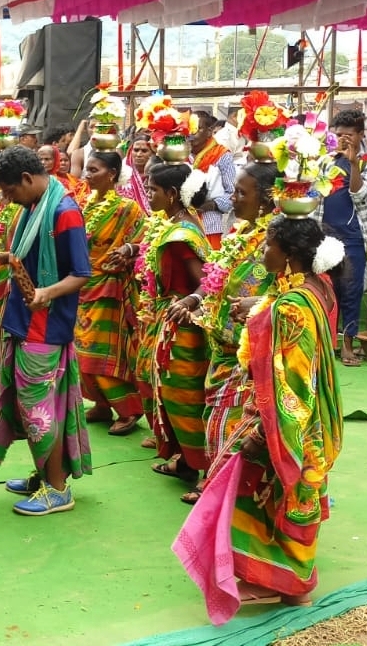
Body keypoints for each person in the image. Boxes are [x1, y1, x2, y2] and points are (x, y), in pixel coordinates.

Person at [224, 214, 343, 607]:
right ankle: (279, 580)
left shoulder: (292, 308)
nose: (262, 252)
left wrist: (263, 433)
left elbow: (291, 381)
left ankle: (293, 588)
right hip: (309, 418)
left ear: (289, 254)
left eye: (269, 245)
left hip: (291, 419)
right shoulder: (317, 287)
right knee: (288, 492)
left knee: (286, 490)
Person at [0, 146, 93, 517]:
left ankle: (58, 489)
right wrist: (5, 258)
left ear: (27, 179)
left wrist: (47, 292)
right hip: (23, 320)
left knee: (38, 412)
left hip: (45, 327)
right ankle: (46, 476)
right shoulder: (34, 207)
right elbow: (27, 258)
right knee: (29, 407)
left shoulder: (64, 212)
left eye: (9, 190)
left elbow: (81, 273)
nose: (7, 198)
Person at [165, 162, 278, 504]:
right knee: (214, 418)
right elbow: (216, 279)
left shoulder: (276, 240)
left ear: (266, 198)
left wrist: (259, 305)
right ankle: (214, 481)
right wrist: (196, 300)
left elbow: (287, 291)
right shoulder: (239, 232)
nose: (233, 198)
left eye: (241, 192)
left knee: (232, 422)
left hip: (249, 351)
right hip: (221, 344)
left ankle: (222, 490)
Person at [127, 163, 211, 490]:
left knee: (182, 396)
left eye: (153, 190)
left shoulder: (180, 236)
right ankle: (184, 461)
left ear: (172, 194)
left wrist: (188, 301)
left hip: (180, 325)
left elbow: (205, 282)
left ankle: (202, 468)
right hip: (164, 316)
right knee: (160, 388)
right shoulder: (172, 223)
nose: (148, 195)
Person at [76, 151, 146, 437]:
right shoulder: (85, 203)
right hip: (83, 284)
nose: (87, 175)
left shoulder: (127, 208)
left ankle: (128, 410)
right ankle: (102, 405)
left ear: (112, 174)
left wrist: (129, 249)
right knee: (80, 352)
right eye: (87, 169)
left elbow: (145, 239)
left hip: (110, 288)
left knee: (99, 353)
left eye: (94, 170)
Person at [320, 110, 367, 366]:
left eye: (348, 135)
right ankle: (325, 343)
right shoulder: (324, 161)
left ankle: (348, 345)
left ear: (360, 135)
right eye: (338, 134)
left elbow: (360, 196)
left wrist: (353, 164)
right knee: (323, 291)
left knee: (351, 292)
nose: (342, 139)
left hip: (352, 238)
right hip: (322, 236)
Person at [189, 111, 237, 249]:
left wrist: (212, 204)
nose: (191, 133)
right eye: (189, 129)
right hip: (181, 224)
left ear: (209, 131)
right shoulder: (179, 154)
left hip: (210, 226)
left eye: (197, 129)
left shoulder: (222, 155)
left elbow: (232, 193)